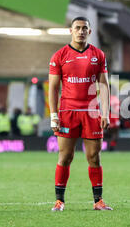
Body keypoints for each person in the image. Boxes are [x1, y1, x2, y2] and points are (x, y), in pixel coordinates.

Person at [48, 16, 112, 212]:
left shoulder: (98, 55)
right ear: (71, 31)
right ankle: (59, 201)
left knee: (94, 156)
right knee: (65, 156)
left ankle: (98, 201)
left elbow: (103, 85)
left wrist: (105, 112)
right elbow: (53, 88)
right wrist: (53, 116)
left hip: (92, 112)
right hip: (68, 112)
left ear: (89, 32)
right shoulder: (59, 55)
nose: (81, 31)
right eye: (77, 28)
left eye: (85, 28)